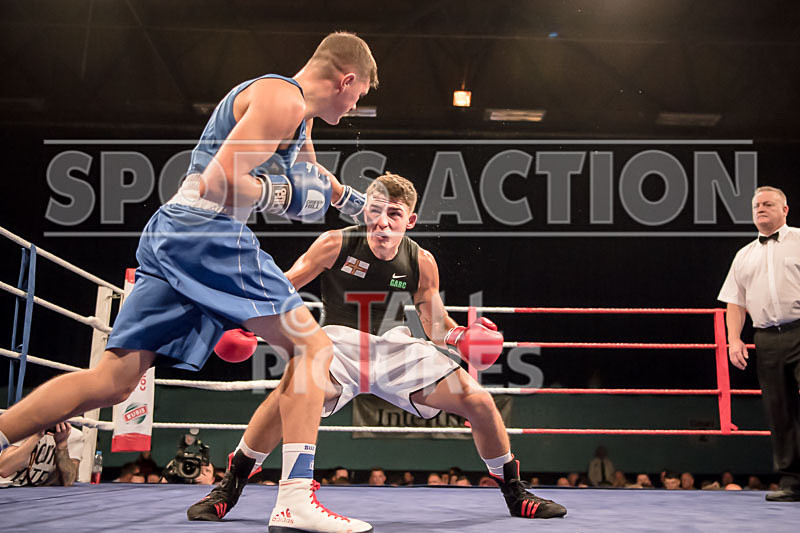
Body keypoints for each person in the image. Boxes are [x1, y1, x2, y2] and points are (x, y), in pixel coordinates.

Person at [0, 31, 378, 532]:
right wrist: (280, 196)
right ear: (346, 80)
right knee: (314, 347)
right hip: (207, 229)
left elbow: (311, 177)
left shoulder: (296, 113)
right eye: (360, 95)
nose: (355, 107)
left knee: (113, 381)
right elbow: (221, 180)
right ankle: (294, 500)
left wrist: (359, 206)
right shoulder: (279, 97)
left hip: (177, 232)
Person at [188, 174, 567, 521]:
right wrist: (249, 326)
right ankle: (230, 484)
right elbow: (282, 288)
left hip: (397, 349)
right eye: (375, 211)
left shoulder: (421, 261)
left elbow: (436, 323)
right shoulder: (335, 243)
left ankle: (514, 491)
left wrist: (462, 338)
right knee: (290, 393)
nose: (382, 222)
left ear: (410, 221)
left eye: (394, 214)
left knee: (479, 401)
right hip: (337, 344)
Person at [718, 186, 800, 502]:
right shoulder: (744, 255)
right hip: (766, 337)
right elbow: (735, 303)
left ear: (785, 210)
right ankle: (793, 481)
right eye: (756, 205)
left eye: (768, 203)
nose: (761, 208)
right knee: (779, 410)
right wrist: (734, 340)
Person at [0, 423, 82, 487]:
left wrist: (62, 445)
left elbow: (69, 480)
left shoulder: (72, 434)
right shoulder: (23, 427)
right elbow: (4, 469)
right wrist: (36, 435)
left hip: (34, 494)